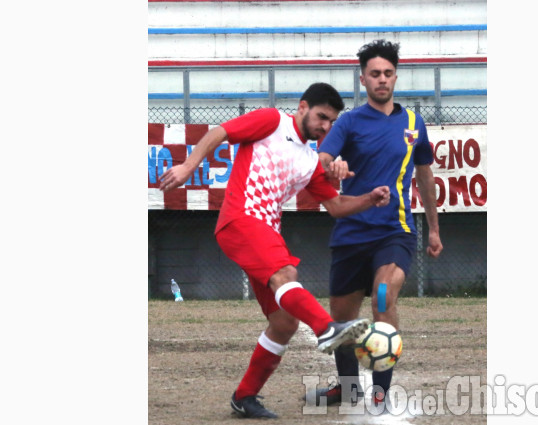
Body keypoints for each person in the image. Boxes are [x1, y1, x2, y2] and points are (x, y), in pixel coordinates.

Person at [159, 82, 391, 419]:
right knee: (287, 273)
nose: (325, 126)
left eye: (330, 122)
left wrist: (369, 198)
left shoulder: (311, 162)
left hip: (265, 230)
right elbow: (220, 132)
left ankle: (244, 397)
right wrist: (189, 166)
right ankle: (328, 328)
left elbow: (337, 206)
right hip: (241, 219)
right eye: (321, 117)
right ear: (302, 107)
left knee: (283, 324)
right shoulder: (272, 121)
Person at [311, 40, 444, 408]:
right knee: (342, 323)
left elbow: (425, 174)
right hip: (351, 233)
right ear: (363, 79)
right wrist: (331, 165)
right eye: (374, 74)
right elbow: (322, 157)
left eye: (387, 73)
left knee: (383, 297)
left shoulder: (414, 123)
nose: (381, 79)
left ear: (395, 76)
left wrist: (433, 228)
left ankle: (381, 393)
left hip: (394, 231)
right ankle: (349, 388)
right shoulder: (350, 121)